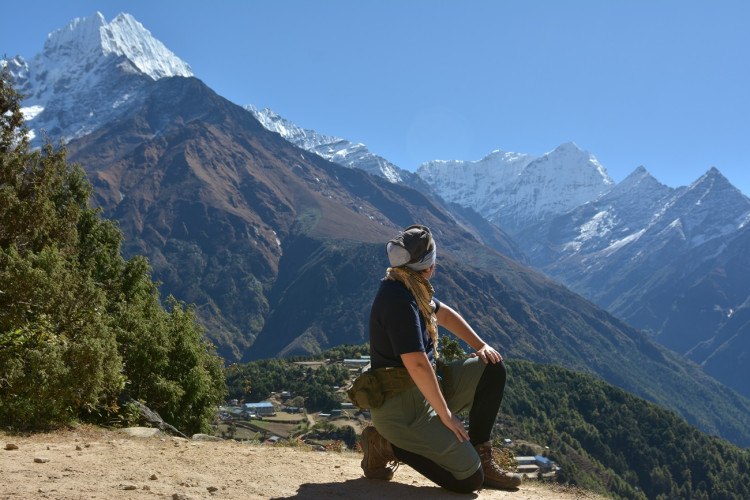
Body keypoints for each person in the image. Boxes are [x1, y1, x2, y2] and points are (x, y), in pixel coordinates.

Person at [360, 224, 522, 493]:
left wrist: (481, 346)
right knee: (469, 480)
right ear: (429, 266)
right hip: (403, 409)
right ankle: (386, 444)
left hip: (424, 391)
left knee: (491, 367)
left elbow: (443, 314)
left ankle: (482, 454)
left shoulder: (410, 287)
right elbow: (418, 364)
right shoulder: (397, 299)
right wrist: (446, 416)